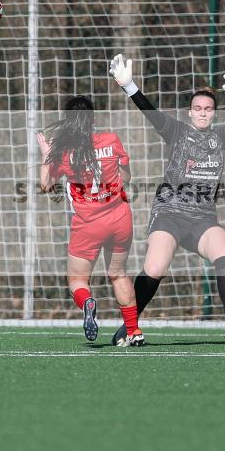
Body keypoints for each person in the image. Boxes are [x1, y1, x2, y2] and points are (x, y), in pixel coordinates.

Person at [108, 54, 225, 344]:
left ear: (214, 113)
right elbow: (150, 112)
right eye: (197, 108)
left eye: (208, 109)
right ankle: (129, 326)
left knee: (224, 253)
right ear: (190, 112)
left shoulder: (223, 137)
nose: (203, 113)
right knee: (155, 269)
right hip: (169, 215)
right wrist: (129, 86)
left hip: (203, 219)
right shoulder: (176, 131)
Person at [37, 95, 144, 347]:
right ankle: (134, 331)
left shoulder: (64, 153)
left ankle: (88, 303)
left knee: (77, 280)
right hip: (120, 220)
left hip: (88, 225)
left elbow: (45, 185)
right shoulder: (111, 139)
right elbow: (126, 177)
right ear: (92, 119)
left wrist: (46, 154)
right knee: (118, 274)